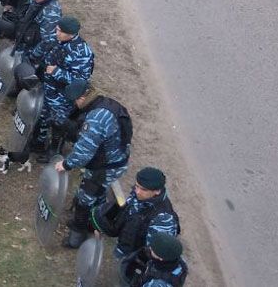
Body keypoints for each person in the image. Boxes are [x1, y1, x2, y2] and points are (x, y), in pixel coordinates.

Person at [57, 79, 133, 249]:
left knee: (86, 197)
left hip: (106, 166)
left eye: (75, 100)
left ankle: (77, 236)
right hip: (113, 160)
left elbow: (84, 152)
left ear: (83, 98)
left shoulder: (97, 119)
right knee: (97, 193)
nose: (74, 104)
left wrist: (66, 164)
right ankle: (94, 223)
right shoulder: (104, 104)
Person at [93, 166, 181, 280]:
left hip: (135, 262)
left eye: (143, 189)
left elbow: (155, 257)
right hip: (124, 247)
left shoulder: (163, 220)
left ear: (157, 191)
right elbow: (126, 212)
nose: (137, 191)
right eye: (137, 186)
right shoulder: (139, 195)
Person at [34, 16, 93, 157]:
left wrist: (57, 72)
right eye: (57, 29)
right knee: (43, 116)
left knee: (58, 123)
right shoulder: (58, 40)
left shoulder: (82, 54)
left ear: (71, 34)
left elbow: (81, 82)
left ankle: (55, 150)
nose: (57, 33)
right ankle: (39, 142)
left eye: (61, 31)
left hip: (62, 97)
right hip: (48, 88)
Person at [14, 0, 61, 65]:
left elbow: (48, 41)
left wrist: (33, 55)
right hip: (25, 38)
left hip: (33, 48)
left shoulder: (50, 13)